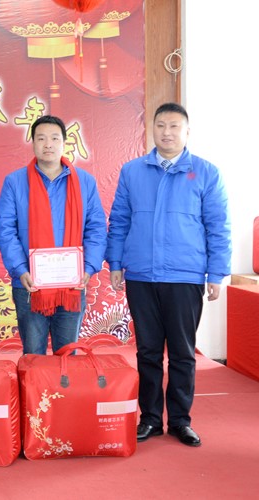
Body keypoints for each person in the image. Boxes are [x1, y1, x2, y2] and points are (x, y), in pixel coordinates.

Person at [106, 102, 231, 447]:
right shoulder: (132, 171)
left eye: (174, 126)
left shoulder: (206, 173)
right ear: (152, 129)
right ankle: (149, 418)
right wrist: (115, 263)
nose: (167, 132)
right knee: (147, 351)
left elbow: (218, 226)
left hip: (185, 275)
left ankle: (179, 420)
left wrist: (217, 273)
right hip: (141, 276)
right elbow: (119, 220)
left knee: (182, 352)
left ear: (187, 131)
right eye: (160, 125)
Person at [0, 115, 107, 355]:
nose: (48, 144)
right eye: (41, 138)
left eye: (55, 138)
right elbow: (5, 230)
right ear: (33, 143)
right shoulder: (15, 182)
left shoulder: (84, 182)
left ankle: (64, 384)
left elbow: (96, 228)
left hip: (72, 284)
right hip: (29, 284)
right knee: (33, 356)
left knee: (67, 355)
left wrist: (88, 268)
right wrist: (20, 270)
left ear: (64, 143)